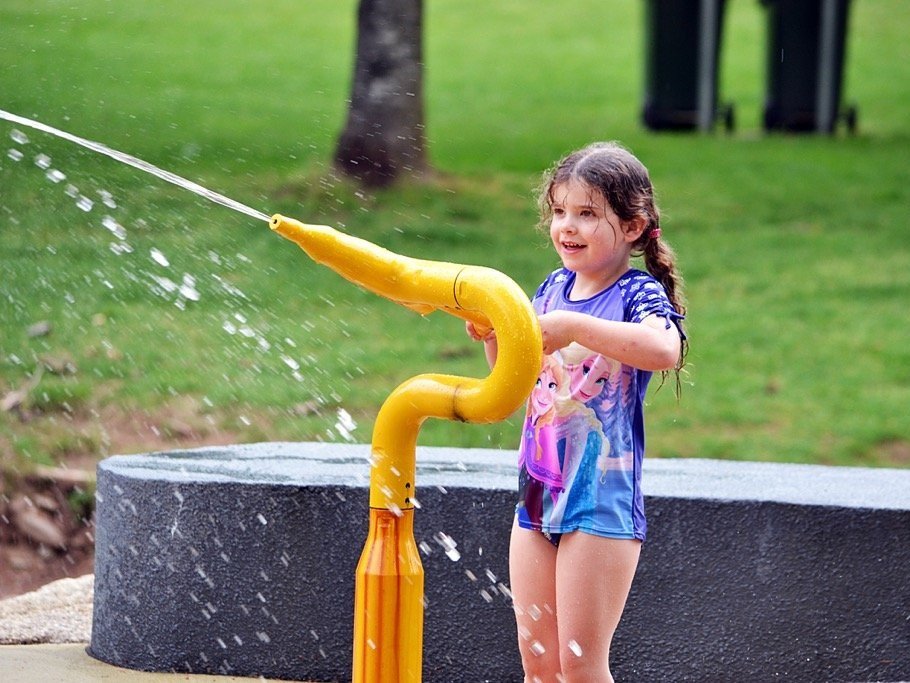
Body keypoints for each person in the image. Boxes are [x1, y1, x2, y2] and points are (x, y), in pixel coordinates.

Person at [467, 141, 687, 682]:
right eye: (560, 211)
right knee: (539, 665)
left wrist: (572, 327)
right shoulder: (551, 288)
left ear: (633, 227)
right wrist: (493, 335)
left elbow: (664, 349)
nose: (568, 225)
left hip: (600, 503)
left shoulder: (636, 294)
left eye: (587, 214)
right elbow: (518, 380)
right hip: (536, 496)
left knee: (581, 666)